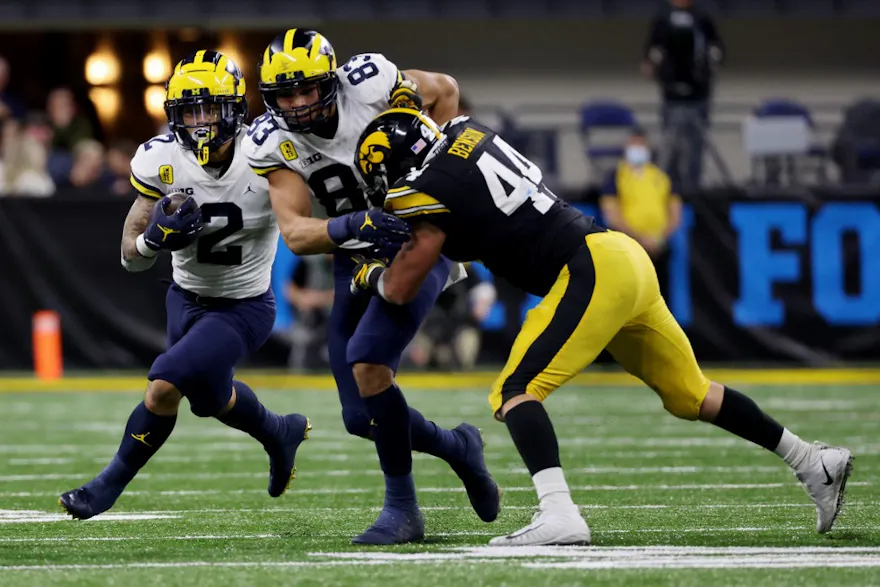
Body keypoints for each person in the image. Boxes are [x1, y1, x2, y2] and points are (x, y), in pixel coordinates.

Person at [350, 108, 854, 546]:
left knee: (516, 389)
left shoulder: (423, 192)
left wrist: (369, 274)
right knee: (691, 395)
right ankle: (812, 460)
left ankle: (558, 512)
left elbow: (398, 288)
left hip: (589, 268)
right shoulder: (466, 132)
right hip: (621, 256)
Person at [243, 28, 500, 545]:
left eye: (306, 90)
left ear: (332, 81)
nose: (295, 104)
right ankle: (457, 447)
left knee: (368, 362)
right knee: (361, 416)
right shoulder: (273, 140)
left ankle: (402, 509)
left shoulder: (371, 83)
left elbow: (446, 89)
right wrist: (351, 227)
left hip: (418, 238)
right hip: (356, 255)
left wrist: (440, 178)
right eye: (284, 95)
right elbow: (294, 232)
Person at [59, 51, 311, 520]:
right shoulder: (162, 159)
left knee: (163, 386)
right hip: (185, 298)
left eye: (209, 108)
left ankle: (104, 487)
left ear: (234, 108)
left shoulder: (269, 155)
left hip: (244, 306)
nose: (198, 122)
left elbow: (314, 213)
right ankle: (280, 432)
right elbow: (129, 256)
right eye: (189, 111)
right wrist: (154, 239)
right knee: (213, 401)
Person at [643, 0, 723, 189]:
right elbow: (652, 50)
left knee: (695, 145)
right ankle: (669, 185)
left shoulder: (702, 16)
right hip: (672, 94)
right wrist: (654, 65)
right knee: (671, 144)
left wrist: (711, 62)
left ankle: (693, 185)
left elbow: (716, 48)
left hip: (698, 93)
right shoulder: (663, 17)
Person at [600, 128, 682, 297]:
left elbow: (675, 211)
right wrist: (639, 238)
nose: (637, 149)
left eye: (641, 145)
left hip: (659, 247)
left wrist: (659, 238)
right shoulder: (615, 176)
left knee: (661, 296)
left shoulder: (661, 177)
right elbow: (611, 214)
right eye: (633, 144)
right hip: (628, 248)